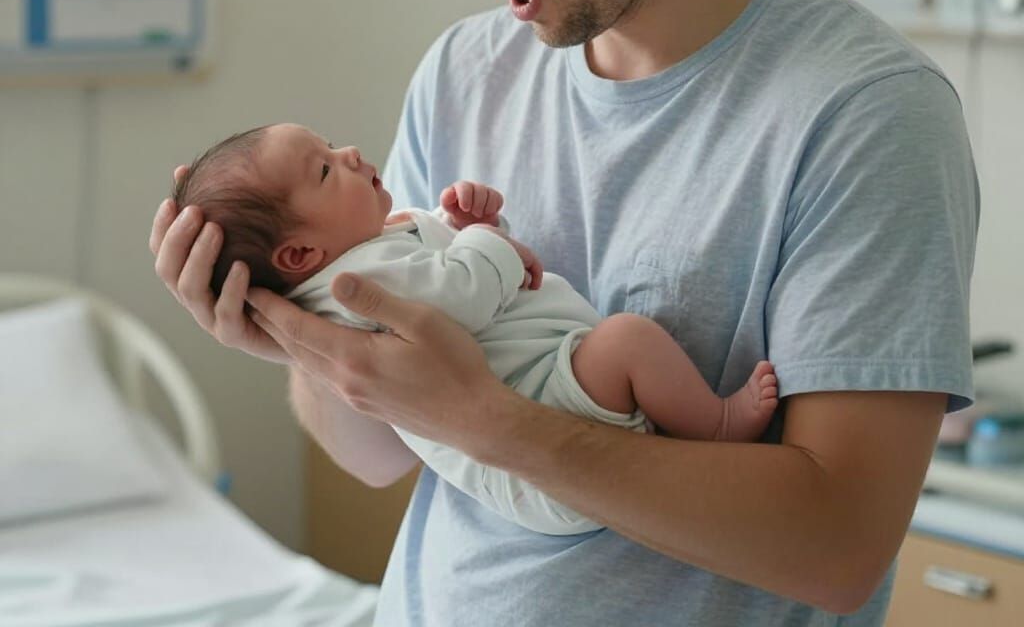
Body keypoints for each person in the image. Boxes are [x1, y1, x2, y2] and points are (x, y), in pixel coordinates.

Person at [151, 0, 978, 626]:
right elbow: (376, 454)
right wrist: (287, 333)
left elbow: (835, 550)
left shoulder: (862, 113)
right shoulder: (465, 72)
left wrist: (493, 422)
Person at [173, 121, 779, 534]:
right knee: (628, 341)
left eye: (330, 146)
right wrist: (486, 238)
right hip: (549, 429)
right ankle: (716, 425)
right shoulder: (354, 283)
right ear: (301, 255)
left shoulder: (370, 250)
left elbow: (453, 272)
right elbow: (464, 296)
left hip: (550, 427)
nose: (350, 153)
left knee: (621, 347)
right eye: (326, 171)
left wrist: (460, 224)